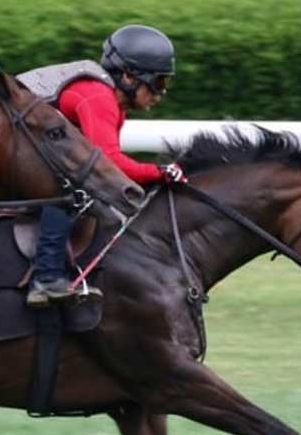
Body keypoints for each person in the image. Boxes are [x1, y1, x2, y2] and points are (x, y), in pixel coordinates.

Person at [18, 24, 186, 308]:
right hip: (7, 143)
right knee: (67, 187)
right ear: (129, 77)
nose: (161, 94)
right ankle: (46, 279)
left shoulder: (109, 98)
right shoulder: (98, 97)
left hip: (19, 139)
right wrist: (159, 172)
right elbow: (110, 162)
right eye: (158, 83)